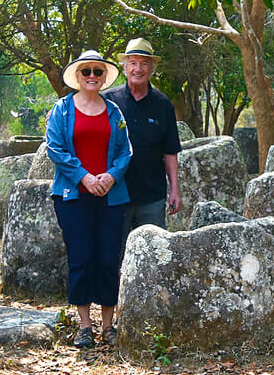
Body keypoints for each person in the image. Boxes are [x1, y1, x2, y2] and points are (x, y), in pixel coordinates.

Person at [45, 49, 133, 349]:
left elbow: (125, 151)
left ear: (105, 76)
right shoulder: (62, 110)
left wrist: (110, 176)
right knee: (81, 257)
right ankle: (85, 325)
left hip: (111, 197)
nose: (92, 76)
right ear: (78, 77)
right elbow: (54, 148)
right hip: (73, 197)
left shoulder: (114, 113)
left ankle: (108, 325)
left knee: (108, 258)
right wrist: (84, 176)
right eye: (87, 72)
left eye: (98, 72)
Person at [105, 38, 181, 252]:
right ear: (125, 67)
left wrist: (175, 189)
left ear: (152, 68)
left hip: (152, 195)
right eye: (133, 63)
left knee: (153, 255)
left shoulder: (163, 105)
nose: (138, 69)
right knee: (112, 254)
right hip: (115, 194)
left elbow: (170, 151)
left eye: (144, 63)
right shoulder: (108, 101)